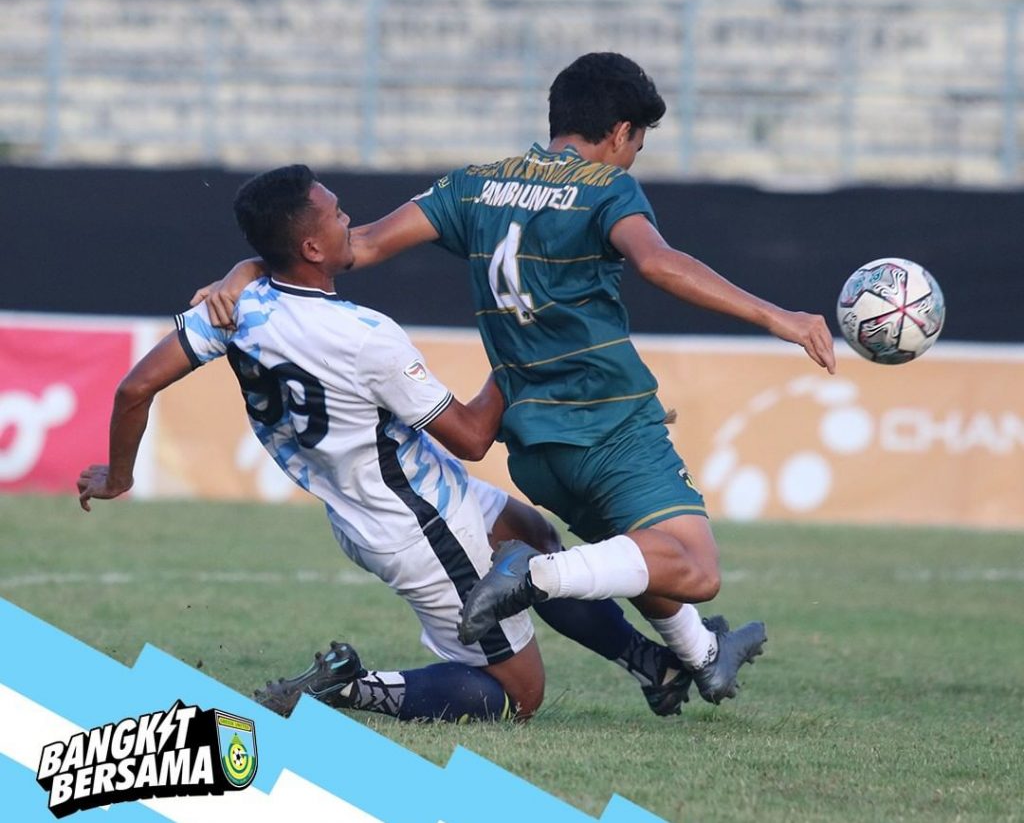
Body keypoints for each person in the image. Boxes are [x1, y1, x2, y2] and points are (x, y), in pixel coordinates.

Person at [199, 52, 837, 705]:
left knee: (638, 552)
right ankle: (537, 573)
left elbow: (346, 246)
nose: (631, 161)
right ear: (620, 131)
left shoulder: (475, 186)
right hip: (609, 423)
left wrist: (243, 272)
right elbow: (657, 263)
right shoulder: (604, 188)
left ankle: (700, 657)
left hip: (533, 447)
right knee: (695, 567)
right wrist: (776, 315)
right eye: (637, 146)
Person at [78, 163, 721, 725]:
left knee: (533, 535)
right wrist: (525, 356)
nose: (348, 221)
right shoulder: (365, 337)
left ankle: (651, 665)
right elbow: (471, 436)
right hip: (417, 521)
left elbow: (135, 388)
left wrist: (119, 475)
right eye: (336, 215)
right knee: (520, 695)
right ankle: (350, 687)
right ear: (311, 246)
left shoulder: (234, 305)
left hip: (383, 497)